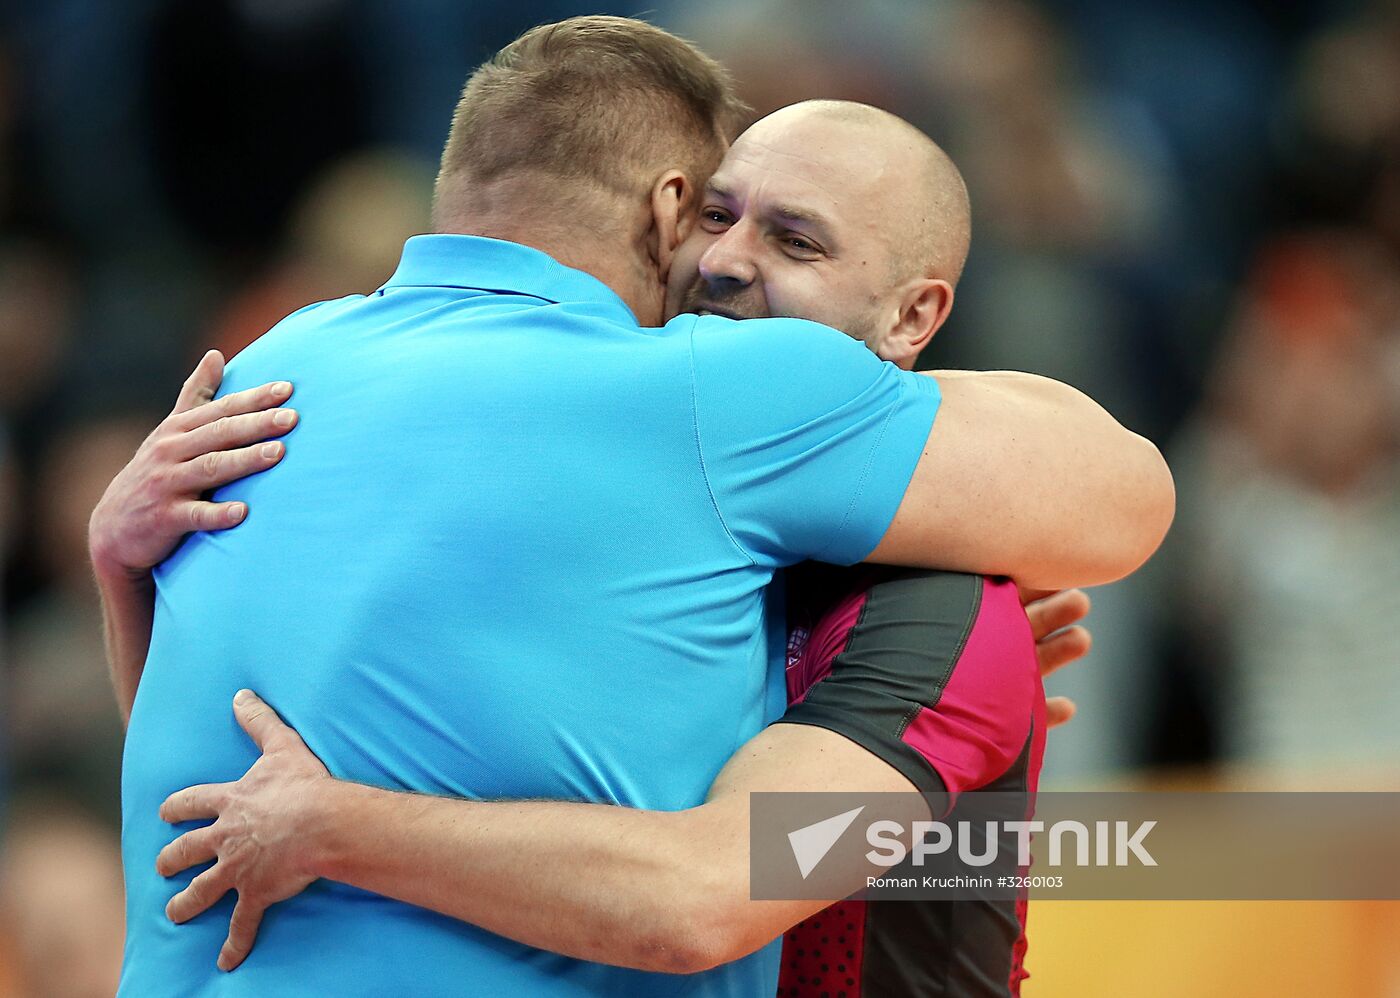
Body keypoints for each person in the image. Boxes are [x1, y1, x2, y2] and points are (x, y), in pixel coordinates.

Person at [90, 18, 1171, 997]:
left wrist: (337, 827)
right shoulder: (690, 447)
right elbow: (229, 775)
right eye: (716, 213)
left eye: (795, 241)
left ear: (912, 316)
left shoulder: (278, 359)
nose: (723, 261)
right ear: (669, 208)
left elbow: (701, 893)